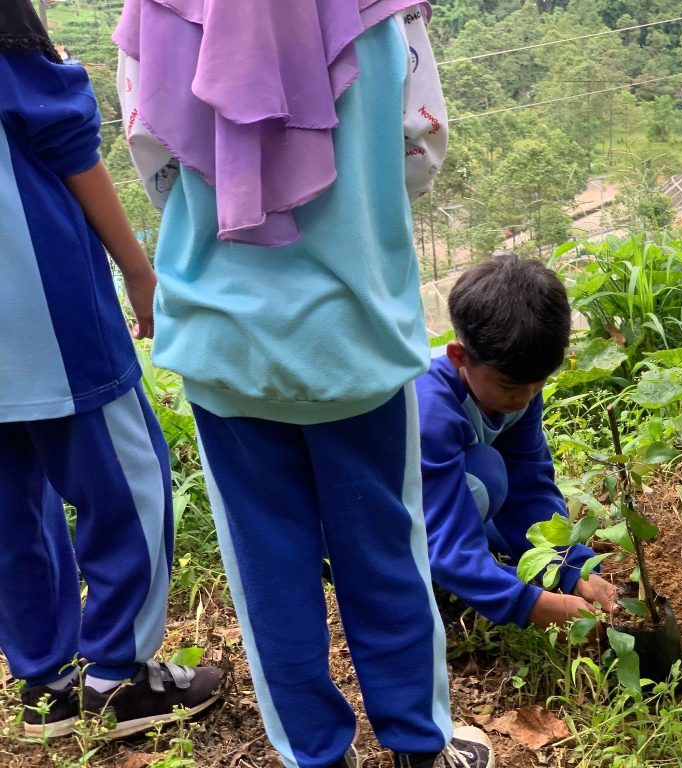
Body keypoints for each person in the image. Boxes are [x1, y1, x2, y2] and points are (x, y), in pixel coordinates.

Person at [113, 1, 492, 766]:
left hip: (224, 342)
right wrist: (351, 207)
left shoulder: (157, 9)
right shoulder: (384, 9)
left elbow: (151, 153)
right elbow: (420, 148)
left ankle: (316, 755)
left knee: (268, 570)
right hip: (355, 337)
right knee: (386, 551)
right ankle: (420, 746)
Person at [0, 0, 220, 740]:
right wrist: (138, 269)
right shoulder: (13, 55)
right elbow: (69, 143)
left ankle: (44, 688)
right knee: (131, 482)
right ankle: (117, 676)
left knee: (11, 514)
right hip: (46, 314)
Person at [417, 257, 619, 629]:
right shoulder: (429, 407)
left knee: (497, 487)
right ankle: (423, 577)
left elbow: (529, 487)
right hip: (368, 518)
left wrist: (569, 566)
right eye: (510, 386)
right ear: (458, 355)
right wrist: (528, 603)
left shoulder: (518, 387)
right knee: (482, 478)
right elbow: (442, 530)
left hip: (437, 500)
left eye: (538, 382)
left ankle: (475, 571)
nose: (525, 398)